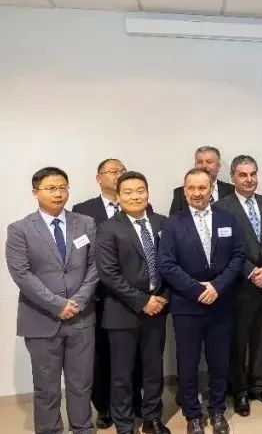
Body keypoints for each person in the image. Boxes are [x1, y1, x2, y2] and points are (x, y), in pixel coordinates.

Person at [7, 167, 99, 434]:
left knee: (81, 383)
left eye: (62, 187)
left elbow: (95, 266)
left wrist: (77, 301)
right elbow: (21, 274)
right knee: (46, 387)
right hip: (41, 318)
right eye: (51, 188)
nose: (58, 193)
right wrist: (57, 304)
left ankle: (82, 428)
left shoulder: (85, 223)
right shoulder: (20, 229)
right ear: (35, 192)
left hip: (81, 318)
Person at [159, 168, 245, 434]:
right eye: (192, 188)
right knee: (188, 363)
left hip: (221, 302)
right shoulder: (172, 224)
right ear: (184, 191)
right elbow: (167, 264)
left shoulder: (227, 219)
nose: (197, 193)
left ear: (211, 190)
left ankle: (217, 410)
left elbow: (238, 256)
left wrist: (217, 286)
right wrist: (197, 290)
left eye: (202, 188)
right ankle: (193, 415)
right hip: (187, 305)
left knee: (219, 362)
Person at [93, 171, 171, 434]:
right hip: (121, 312)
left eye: (140, 190)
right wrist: (142, 301)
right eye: (127, 192)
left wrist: (162, 298)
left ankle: (152, 418)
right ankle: (124, 425)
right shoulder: (108, 228)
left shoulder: (162, 223)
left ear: (147, 193)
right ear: (117, 197)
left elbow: (172, 264)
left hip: (157, 309)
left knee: (154, 370)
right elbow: (108, 274)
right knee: (122, 375)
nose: (135, 196)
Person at [71, 158, 142, 429]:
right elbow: (83, 253)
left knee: (134, 354)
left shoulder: (141, 206)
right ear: (99, 178)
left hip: (135, 296)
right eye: (112, 172)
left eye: (121, 171)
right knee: (102, 354)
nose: (118, 175)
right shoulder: (84, 210)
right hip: (101, 295)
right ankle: (104, 406)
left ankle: (134, 402)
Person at [214, 156, 262, 417]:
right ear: (232, 177)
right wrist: (252, 272)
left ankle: (260, 386)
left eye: (253, 174)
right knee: (238, 341)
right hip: (240, 287)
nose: (249, 179)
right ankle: (240, 389)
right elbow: (224, 248)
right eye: (243, 175)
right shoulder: (222, 207)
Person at [169, 146, 234, 215]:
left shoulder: (231, 190)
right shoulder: (180, 193)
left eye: (209, 162)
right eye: (200, 162)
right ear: (195, 165)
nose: (204, 166)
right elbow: (174, 220)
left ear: (218, 166)